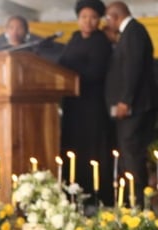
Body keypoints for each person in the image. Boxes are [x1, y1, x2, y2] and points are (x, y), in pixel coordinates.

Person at [59, 0, 114, 205]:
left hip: (92, 105)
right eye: (84, 17)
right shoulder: (73, 38)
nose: (88, 22)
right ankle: (72, 193)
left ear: (99, 20)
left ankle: (95, 197)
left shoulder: (101, 41)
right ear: (78, 19)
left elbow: (96, 72)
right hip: (72, 105)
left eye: (92, 18)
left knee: (92, 149)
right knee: (72, 150)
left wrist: (72, 76)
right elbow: (60, 66)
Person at [104, 2, 158, 196]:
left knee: (132, 153)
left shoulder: (133, 32)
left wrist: (125, 100)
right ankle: (133, 197)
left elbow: (132, 69)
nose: (108, 23)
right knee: (130, 153)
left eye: (108, 19)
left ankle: (136, 199)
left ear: (115, 16)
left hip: (134, 106)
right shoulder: (131, 33)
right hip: (134, 104)